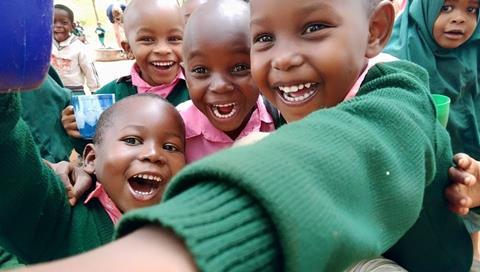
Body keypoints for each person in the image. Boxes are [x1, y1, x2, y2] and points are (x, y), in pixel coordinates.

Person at [19, 0, 472, 271]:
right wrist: (82, 169)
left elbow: (361, 144)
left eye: (314, 28)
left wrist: (178, 246)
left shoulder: (398, 88)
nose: (284, 58)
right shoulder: (268, 105)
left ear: (375, 31)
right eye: (264, 38)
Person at [0, 92, 186, 267]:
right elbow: (10, 153)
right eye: (132, 140)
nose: (153, 154)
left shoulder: (190, 225)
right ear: (92, 159)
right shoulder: (61, 213)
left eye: (170, 147)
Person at [383, 0, 480, 264]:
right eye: (446, 7)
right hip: (421, 167)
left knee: (468, 212)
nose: (460, 18)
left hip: (469, 160)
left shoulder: (473, 49)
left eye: (471, 9)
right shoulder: (397, 57)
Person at [61, 0, 189, 140]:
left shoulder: (196, 91)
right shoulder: (109, 97)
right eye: (147, 39)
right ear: (128, 48)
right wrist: (77, 130)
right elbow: (94, 148)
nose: (163, 50)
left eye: (174, 39)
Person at [178, 0, 278, 163]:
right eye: (200, 71)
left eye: (239, 67)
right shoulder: (175, 131)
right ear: (185, 75)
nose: (220, 86)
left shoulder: (280, 119)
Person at [50, 4, 100, 95]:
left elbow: (89, 70)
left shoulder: (79, 48)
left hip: (74, 91)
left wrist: (95, 91)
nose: (58, 26)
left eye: (64, 23)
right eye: (53, 22)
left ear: (72, 26)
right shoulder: (46, 45)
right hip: (52, 91)